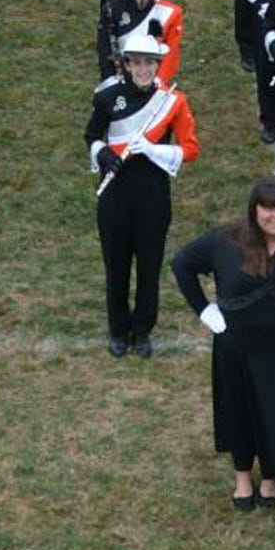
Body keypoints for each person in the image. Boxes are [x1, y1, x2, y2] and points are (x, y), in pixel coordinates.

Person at [173, 175, 275, 509]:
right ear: (254, 210)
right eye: (268, 209)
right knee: (238, 407)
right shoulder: (225, 238)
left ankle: (272, 476)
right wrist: (204, 311)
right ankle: (243, 475)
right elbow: (182, 264)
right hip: (238, 344)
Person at [87, 33, 200, 357]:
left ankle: (143, 330)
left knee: (149, 266)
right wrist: (103, 154)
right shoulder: (107, 97)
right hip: (115, 192)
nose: (143, 68)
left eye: (149, 62)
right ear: (126, 65)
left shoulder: (173, 101)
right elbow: (91, 135)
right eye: (136, 62)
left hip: (153, 193)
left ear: (157, 64)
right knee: (116, 264)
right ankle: (118, 330)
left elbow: (190, 149)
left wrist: (153, 150)